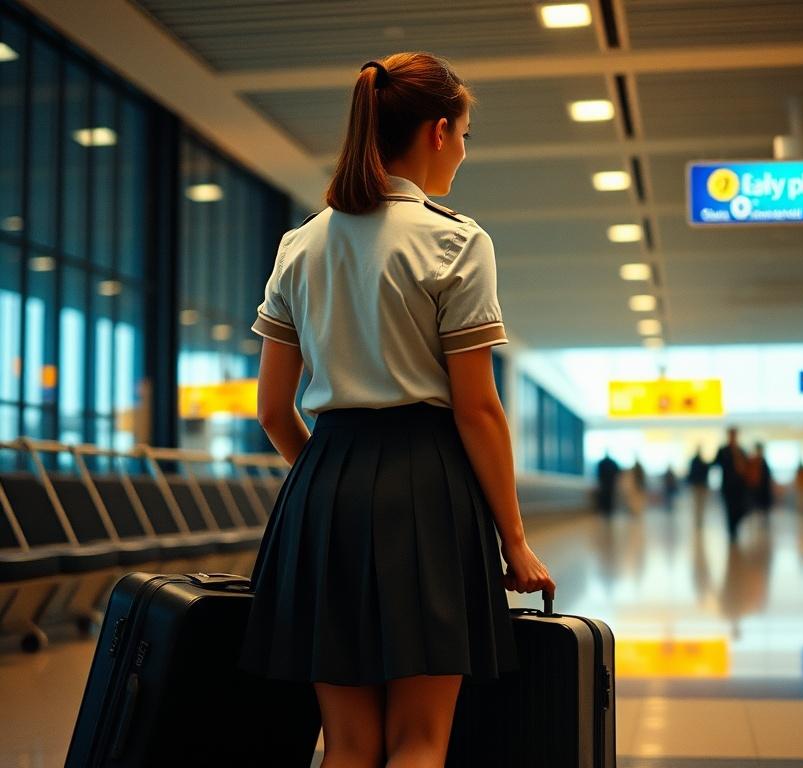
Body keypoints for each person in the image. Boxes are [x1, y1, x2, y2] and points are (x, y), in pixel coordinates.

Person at [237, 53, 556, 768]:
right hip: (428, 489)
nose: (464, 152)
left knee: (346, 744)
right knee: (420, 740)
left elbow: (271, 410)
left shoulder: (300, 245)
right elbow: (478, 410)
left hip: (321, 492)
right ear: (439, 132)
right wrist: (514, 540)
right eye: (466, 135)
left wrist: (329, 478)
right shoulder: (456, 240)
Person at [712, 427, 748, 543]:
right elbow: (715, 464)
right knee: (729, 509)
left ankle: (735, 528)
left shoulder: (741, 450)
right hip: (727, 486)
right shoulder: (723, 451)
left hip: (740, 487)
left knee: (740, 509)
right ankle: (731, 532)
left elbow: (747, 467)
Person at [746, 442, 774, 515]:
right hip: (755, 489)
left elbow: (767, 476)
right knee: (756, 509)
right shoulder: (753, 461)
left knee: (763, 509)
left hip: (763, 489)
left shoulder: (763, 461)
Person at [686, 448, 710, 528]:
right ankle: (698, 520)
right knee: (699, 504)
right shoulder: (699, 462)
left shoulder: (697, 462)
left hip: (699, 485)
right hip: (698, 485)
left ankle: (699, 520)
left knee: (699, 504)